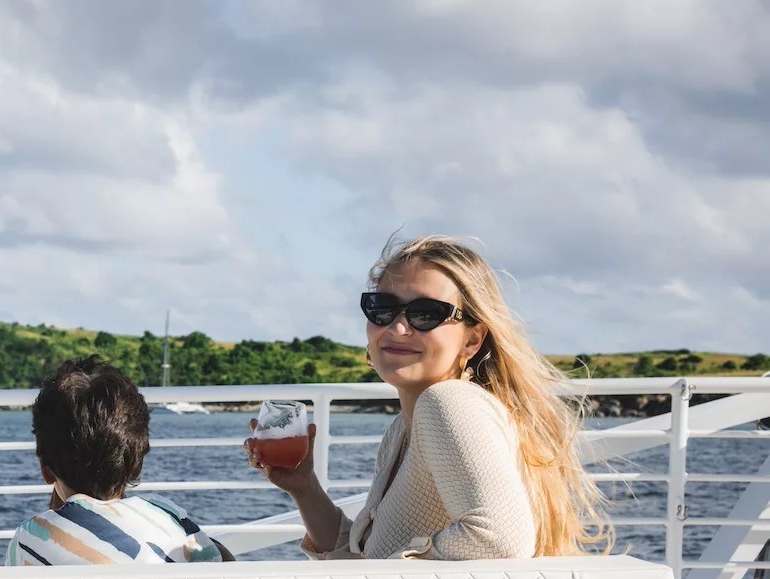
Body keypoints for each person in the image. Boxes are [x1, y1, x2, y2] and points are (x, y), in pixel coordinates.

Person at [248, 235, 609, 560]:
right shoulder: (402, 431)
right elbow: (362, 551)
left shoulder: (449, 404)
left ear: (472, 340)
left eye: (426, 314)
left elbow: (501, 540)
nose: (399, 327)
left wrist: (376, 572)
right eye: (383, 308)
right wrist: (305, 487)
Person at [7, 355, 231, 566]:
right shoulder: (169, 517)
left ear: (46, 470)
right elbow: (223, 564)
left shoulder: (29, 539)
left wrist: (59, 511)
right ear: (137, 463)